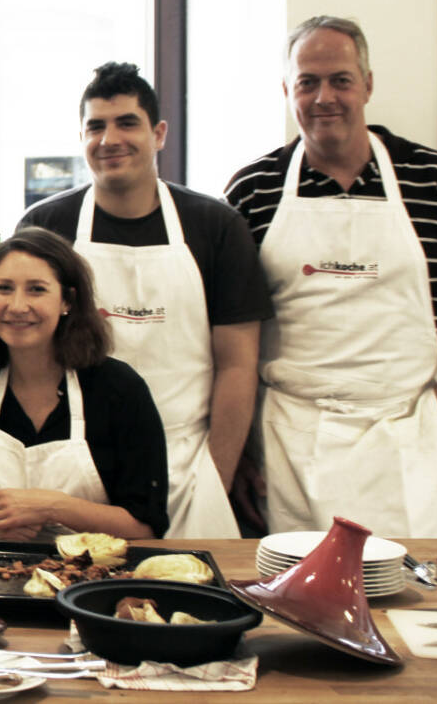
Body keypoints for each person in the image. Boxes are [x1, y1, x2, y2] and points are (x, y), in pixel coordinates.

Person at [18, 63, 270, 538]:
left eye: (126, 123)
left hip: (188, 466)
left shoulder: (216, 227)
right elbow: (26, 355)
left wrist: (217, 475)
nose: (110, 139)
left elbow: (238, 363)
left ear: (158, 133)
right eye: (96, 126)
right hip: (77, 465)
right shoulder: (47, 225)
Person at [226, 16, 437, 537]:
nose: (325, 97)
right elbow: (229, 339)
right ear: (287, 91)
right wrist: (236, 456)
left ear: (367, 84)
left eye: (341, 80)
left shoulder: (429, 179)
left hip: (410, 438)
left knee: (415, 605)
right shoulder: (254, 190)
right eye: (307, 82)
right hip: (289, 443)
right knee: (298, 603)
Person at [0, 227, 168, 540]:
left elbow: (146, 528)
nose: (17, 305)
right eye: (4, 288)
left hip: (103, 579)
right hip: (5, 577)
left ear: (67, 300)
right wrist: (0, 529)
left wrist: (54, 507)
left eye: (36, 289)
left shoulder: (119, 391)